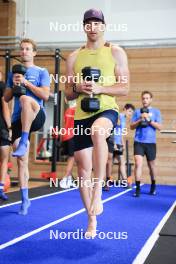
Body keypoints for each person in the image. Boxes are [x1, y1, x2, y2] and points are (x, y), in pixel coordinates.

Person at [65, 8, 129, 237]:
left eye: (97, 22)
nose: (93, 27)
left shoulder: (116, 52)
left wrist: (101, 88)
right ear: (84, 27)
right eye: (88, 23)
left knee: (98, 131)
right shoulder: (73, 57)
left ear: (103, 26)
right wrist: (78, 88)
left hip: (106, 110)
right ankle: (91, 220)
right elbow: (67, 94)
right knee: (83, 170)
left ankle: (99, 189)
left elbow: (124, 87)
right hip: (81, 113)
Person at [4, 38, 50, 214]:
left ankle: (24, 140)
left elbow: (46, 96)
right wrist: (14, 84)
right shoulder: (13, 73)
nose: (24, 51)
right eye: (22, 49)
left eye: (28, 49)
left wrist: (26, 83)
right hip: (18, 120)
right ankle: (25, 200)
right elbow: (7, 98)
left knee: (24, 98)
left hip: (37, 114)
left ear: (34, 52)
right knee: (21, 159)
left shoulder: (41, 71)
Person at [130, 91, 162, 197]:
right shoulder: (137, 112)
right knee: (138, 163)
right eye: (143, 98)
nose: (145, 100)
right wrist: (140, 119)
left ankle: (153, 185)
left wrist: (149, 119)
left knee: (151, 166)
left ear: (151, 99)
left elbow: (159, 127)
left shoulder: (156, 112)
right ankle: (138, 189)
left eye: (147, 98)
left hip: (150, 142)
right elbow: (131, 126)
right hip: (138, 141)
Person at [113, 104, 135, 187]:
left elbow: (121, 133)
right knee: (108, 163)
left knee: (122, 162)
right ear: (124, 109)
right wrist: (114, 143)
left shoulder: (124, 119)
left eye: (131, 113)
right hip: (113, 143)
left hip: (119, 143)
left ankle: (125, 181)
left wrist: (122, 143)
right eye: (129, 111)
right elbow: (112, 129)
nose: (130, 114)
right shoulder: (119, 116)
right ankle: (104, 181)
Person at [60, 98, 76, 189]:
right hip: (72, 136)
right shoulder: (77, 111)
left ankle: (69, 179)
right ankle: (65, 177)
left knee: (72, 158)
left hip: (66, 136)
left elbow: (65, 123)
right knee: (71, 158)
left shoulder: (67, 111)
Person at [0, 72, 11, 200]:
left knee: (4, 160)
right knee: (4, 160)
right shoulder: (2, 86)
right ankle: (0, 188)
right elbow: (5, 108)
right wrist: (9, 128)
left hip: (2, 128)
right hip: (2, 128)